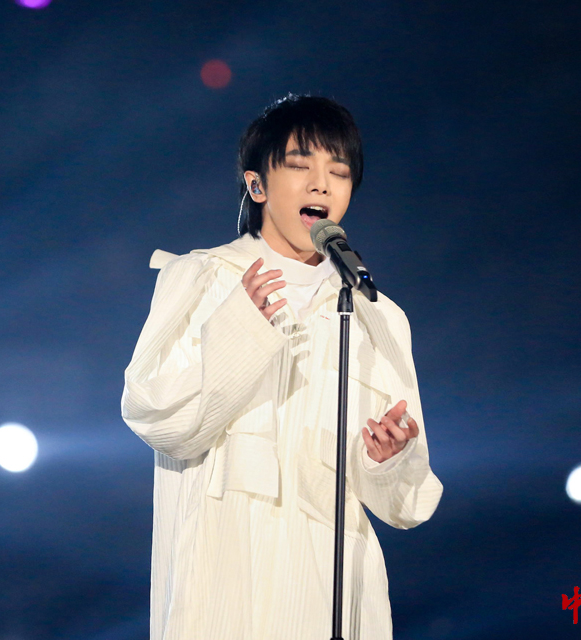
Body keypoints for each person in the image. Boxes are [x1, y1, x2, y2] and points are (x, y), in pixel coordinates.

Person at [121, 94, 443, 640]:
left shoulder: (376, 316)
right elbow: (156, 417)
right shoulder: (203, 279)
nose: (321, 185)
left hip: (329, 596)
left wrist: (389, 460)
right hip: (220, 593)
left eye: (339, 172)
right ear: (257, 185)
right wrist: (239, 332)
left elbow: (405, 504)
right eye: (299, 166)